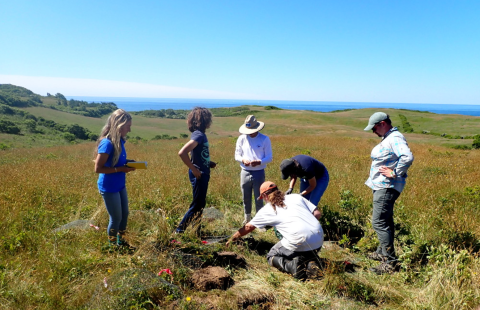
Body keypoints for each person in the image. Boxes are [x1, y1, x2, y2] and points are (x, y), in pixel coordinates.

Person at [226, 181, 324, 279]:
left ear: (265, 195)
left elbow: (248, 227)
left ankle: (293, 267)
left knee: (271, 255)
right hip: (319, 239)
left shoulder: (267, 210)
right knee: (303, 246)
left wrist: (232, 238)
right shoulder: (296, 197)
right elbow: (317, 214)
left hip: (298, 241)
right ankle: (310, 260)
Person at [364, 112, 414, 274]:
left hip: (387, 186)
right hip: (382, 185)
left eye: (374, 128)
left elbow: (407, 157)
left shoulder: (395, 138)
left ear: (383, 123)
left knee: (378, 222)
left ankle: (390, 264)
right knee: (385, 220)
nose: (373, 131)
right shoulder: (389, 138)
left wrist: (395, 173)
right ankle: (381, 252)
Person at [94, 109, 136, 249]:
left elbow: (115, 161)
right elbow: (98, 168)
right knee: (116, 218)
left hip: (119, 184)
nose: (129, 130)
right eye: (128, 126)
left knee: (125, 214)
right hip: (109, 186)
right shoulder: (107, 144)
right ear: (119, 125)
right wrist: (121, 169)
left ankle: (121, 242)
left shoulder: (120, 141)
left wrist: (128, 163)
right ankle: (112, 247)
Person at [176, 107, 216, 234]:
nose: (211, 121)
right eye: (209, 119)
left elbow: (196, 155)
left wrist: (208, 163)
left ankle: (196, 231)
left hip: (202, 172)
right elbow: (182, 153)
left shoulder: (199, 135)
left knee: (200, 204)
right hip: (199, 174)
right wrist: (194, 169)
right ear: (204, 120)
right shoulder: (199, 135)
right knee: (197, 205)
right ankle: (179, 230)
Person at [235, 115, 273, 225]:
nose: (250, 133)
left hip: (259, 172)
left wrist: (259, 162)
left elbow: (269, 157)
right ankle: (247, 218)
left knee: (259, 197)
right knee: (245, 196)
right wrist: (243, 160)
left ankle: (259, 221)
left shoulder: (264, 139)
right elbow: (237, 155)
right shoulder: (241, 138)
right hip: (245, 171)